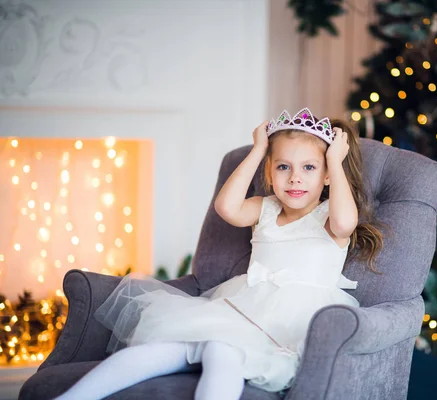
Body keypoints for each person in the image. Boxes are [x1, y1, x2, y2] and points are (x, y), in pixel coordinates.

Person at [55, 107, 383, 400]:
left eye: (309, 167)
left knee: (220, 351)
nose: (295, 177)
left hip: (286, 326)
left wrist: (336, 165)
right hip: (238, 309)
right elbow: (226, 207)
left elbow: (344, 222)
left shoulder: (330, 218)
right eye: (283, 166)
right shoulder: (266, 209)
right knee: (162, 350)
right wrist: (258, 151)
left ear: (326, 175)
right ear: (270, 172)